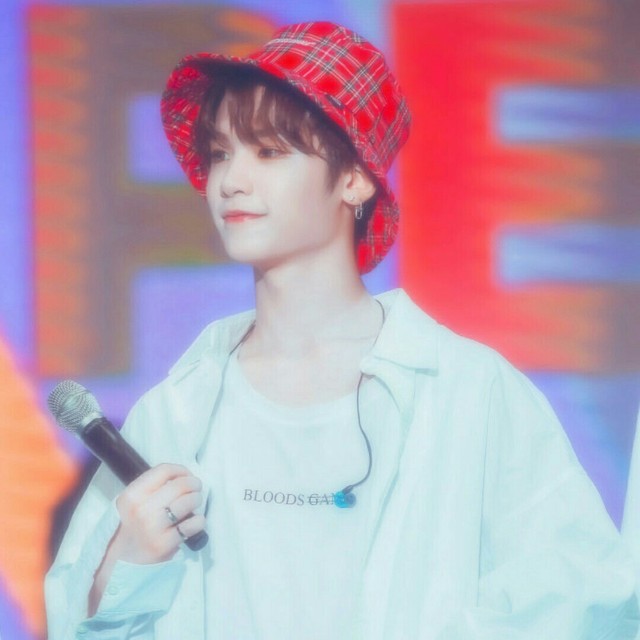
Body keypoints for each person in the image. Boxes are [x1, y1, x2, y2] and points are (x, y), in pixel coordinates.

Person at [45, 21, 639, 639]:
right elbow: (77, 624)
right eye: (220, 153)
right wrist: (124, 563)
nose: (231, 180)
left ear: (355, 177)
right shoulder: (176, 409)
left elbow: (588, 602)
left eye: (269, 152)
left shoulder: (469, 392)